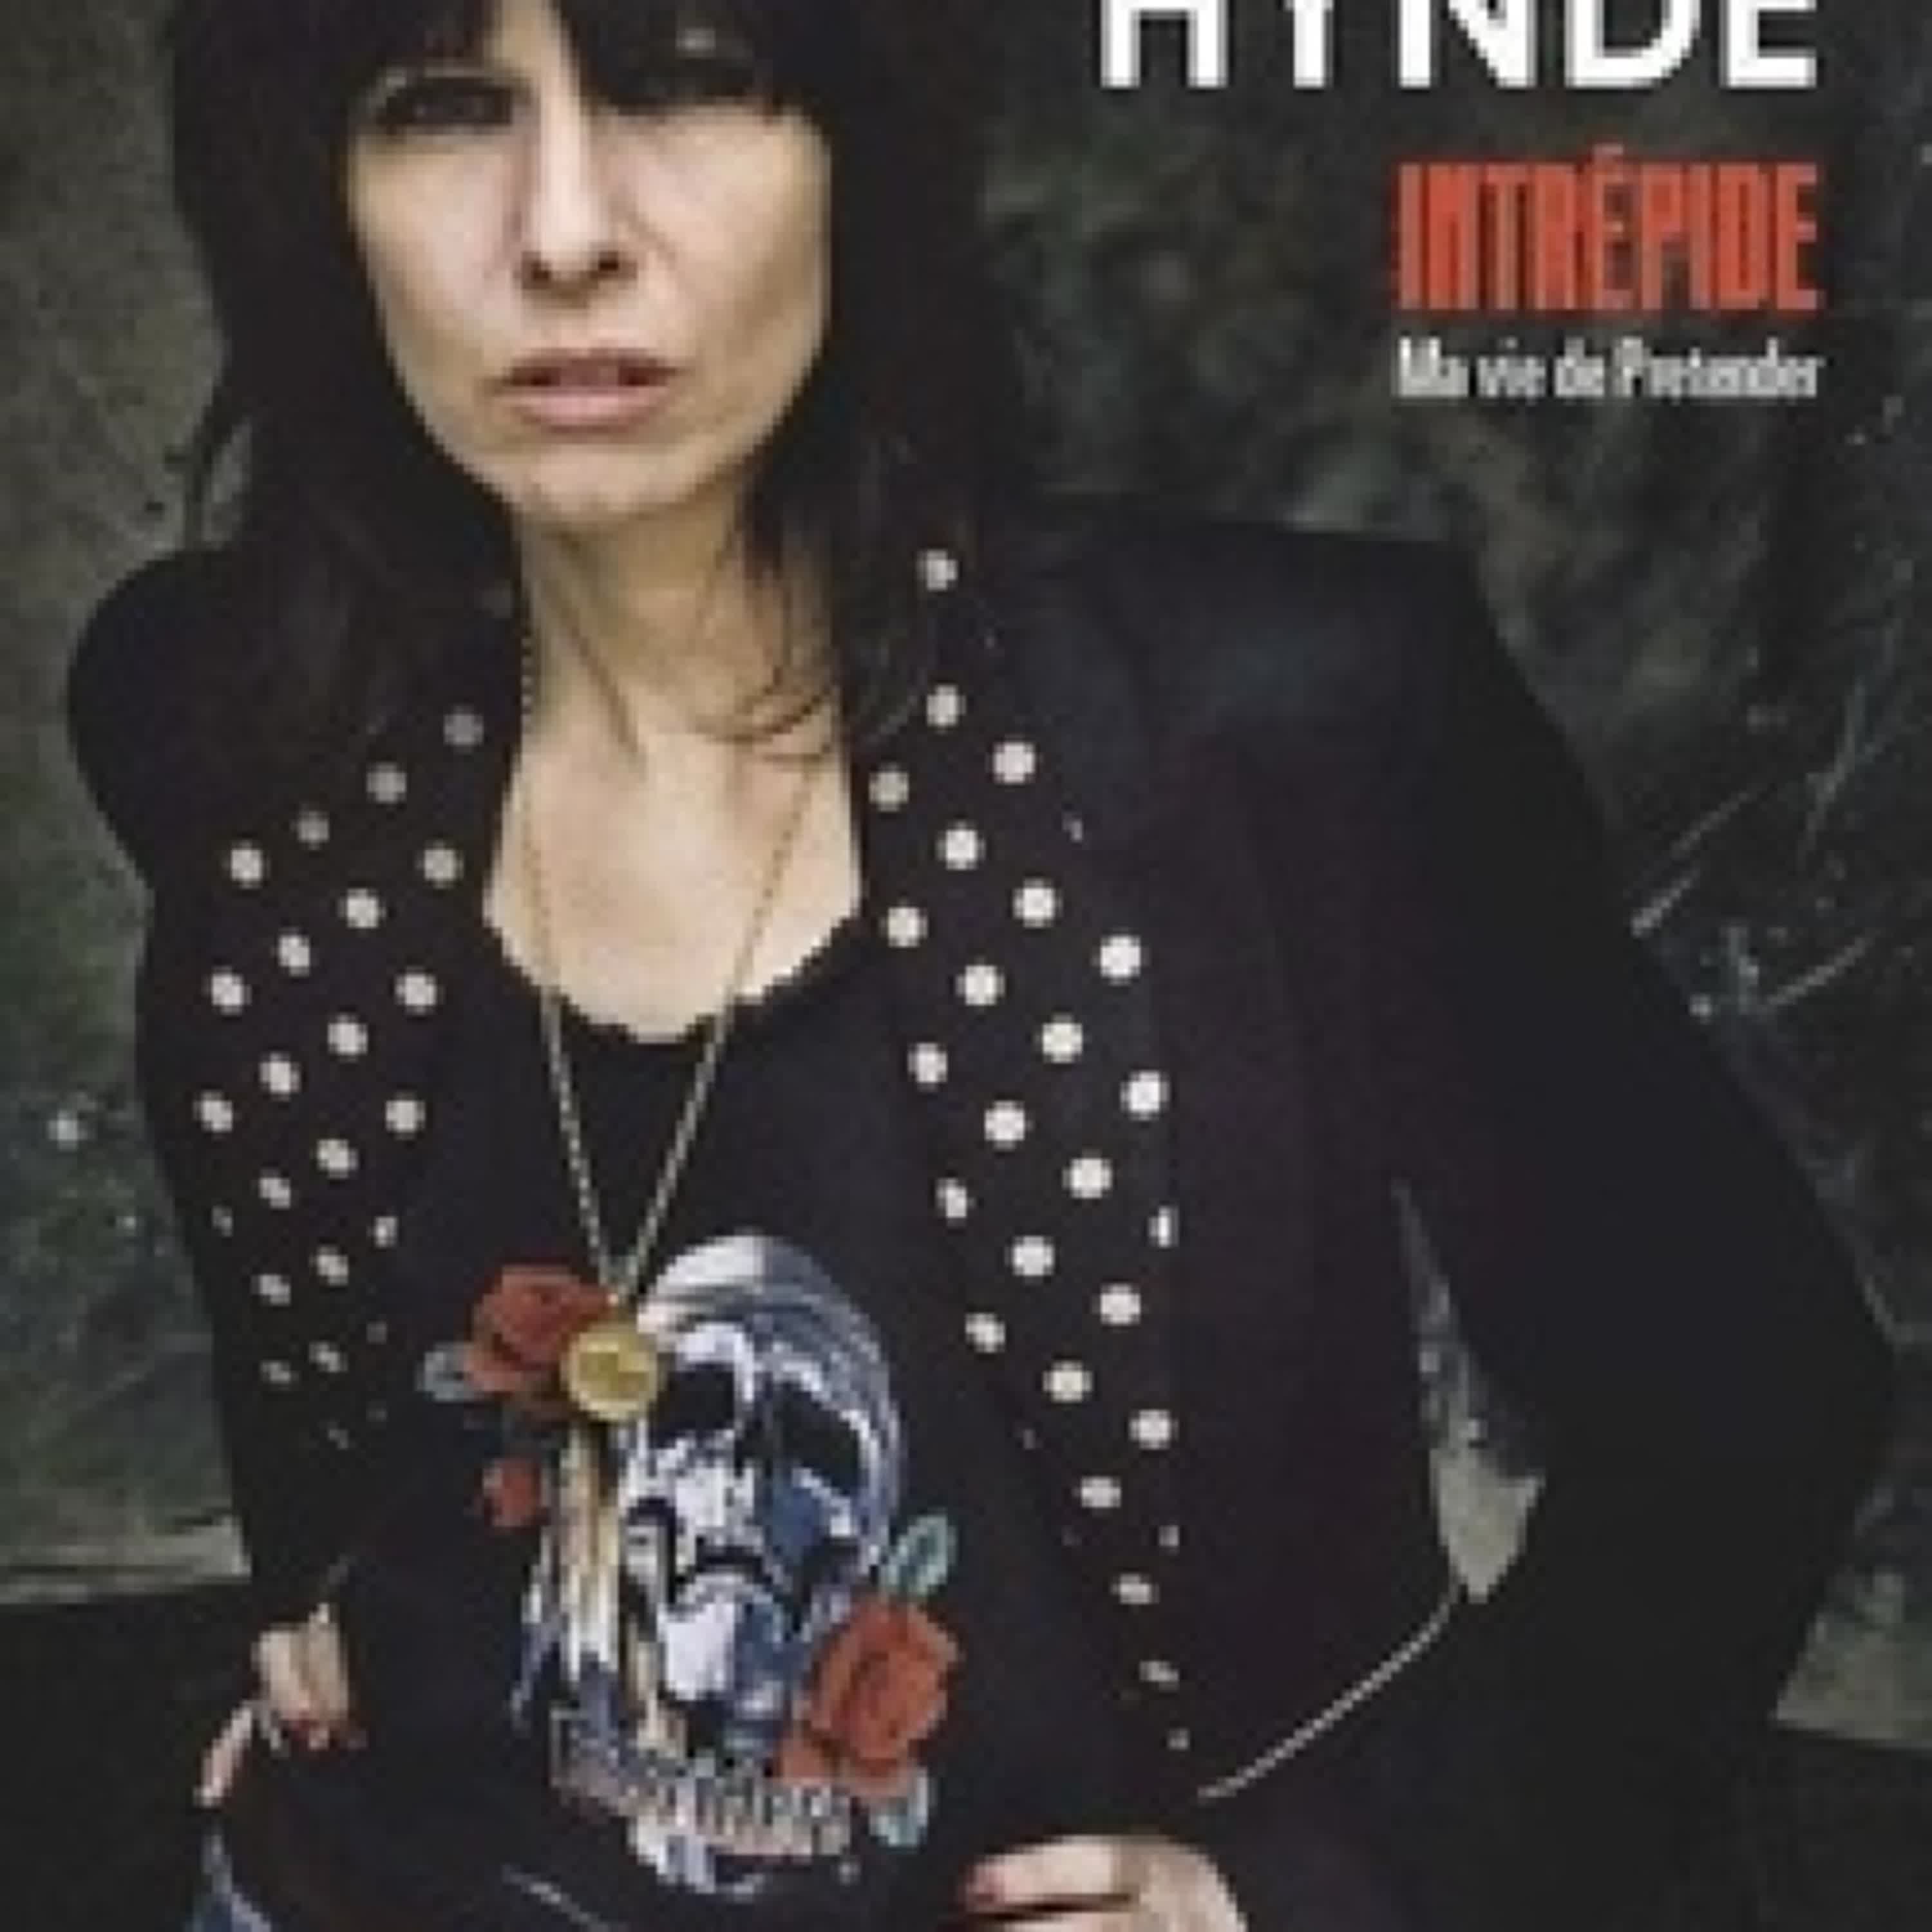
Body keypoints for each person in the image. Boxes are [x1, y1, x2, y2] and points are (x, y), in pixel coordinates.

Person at [66, 1, 1890, 1927]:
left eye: (688, 80)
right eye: (443, 107)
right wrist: (341, 1583)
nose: (566, 228)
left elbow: (1746, 1396)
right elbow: (339, 1280)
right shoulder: (228, 720)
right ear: (321, 199)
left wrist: (1328, 1890)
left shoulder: (1288, 722)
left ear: (859, 149)